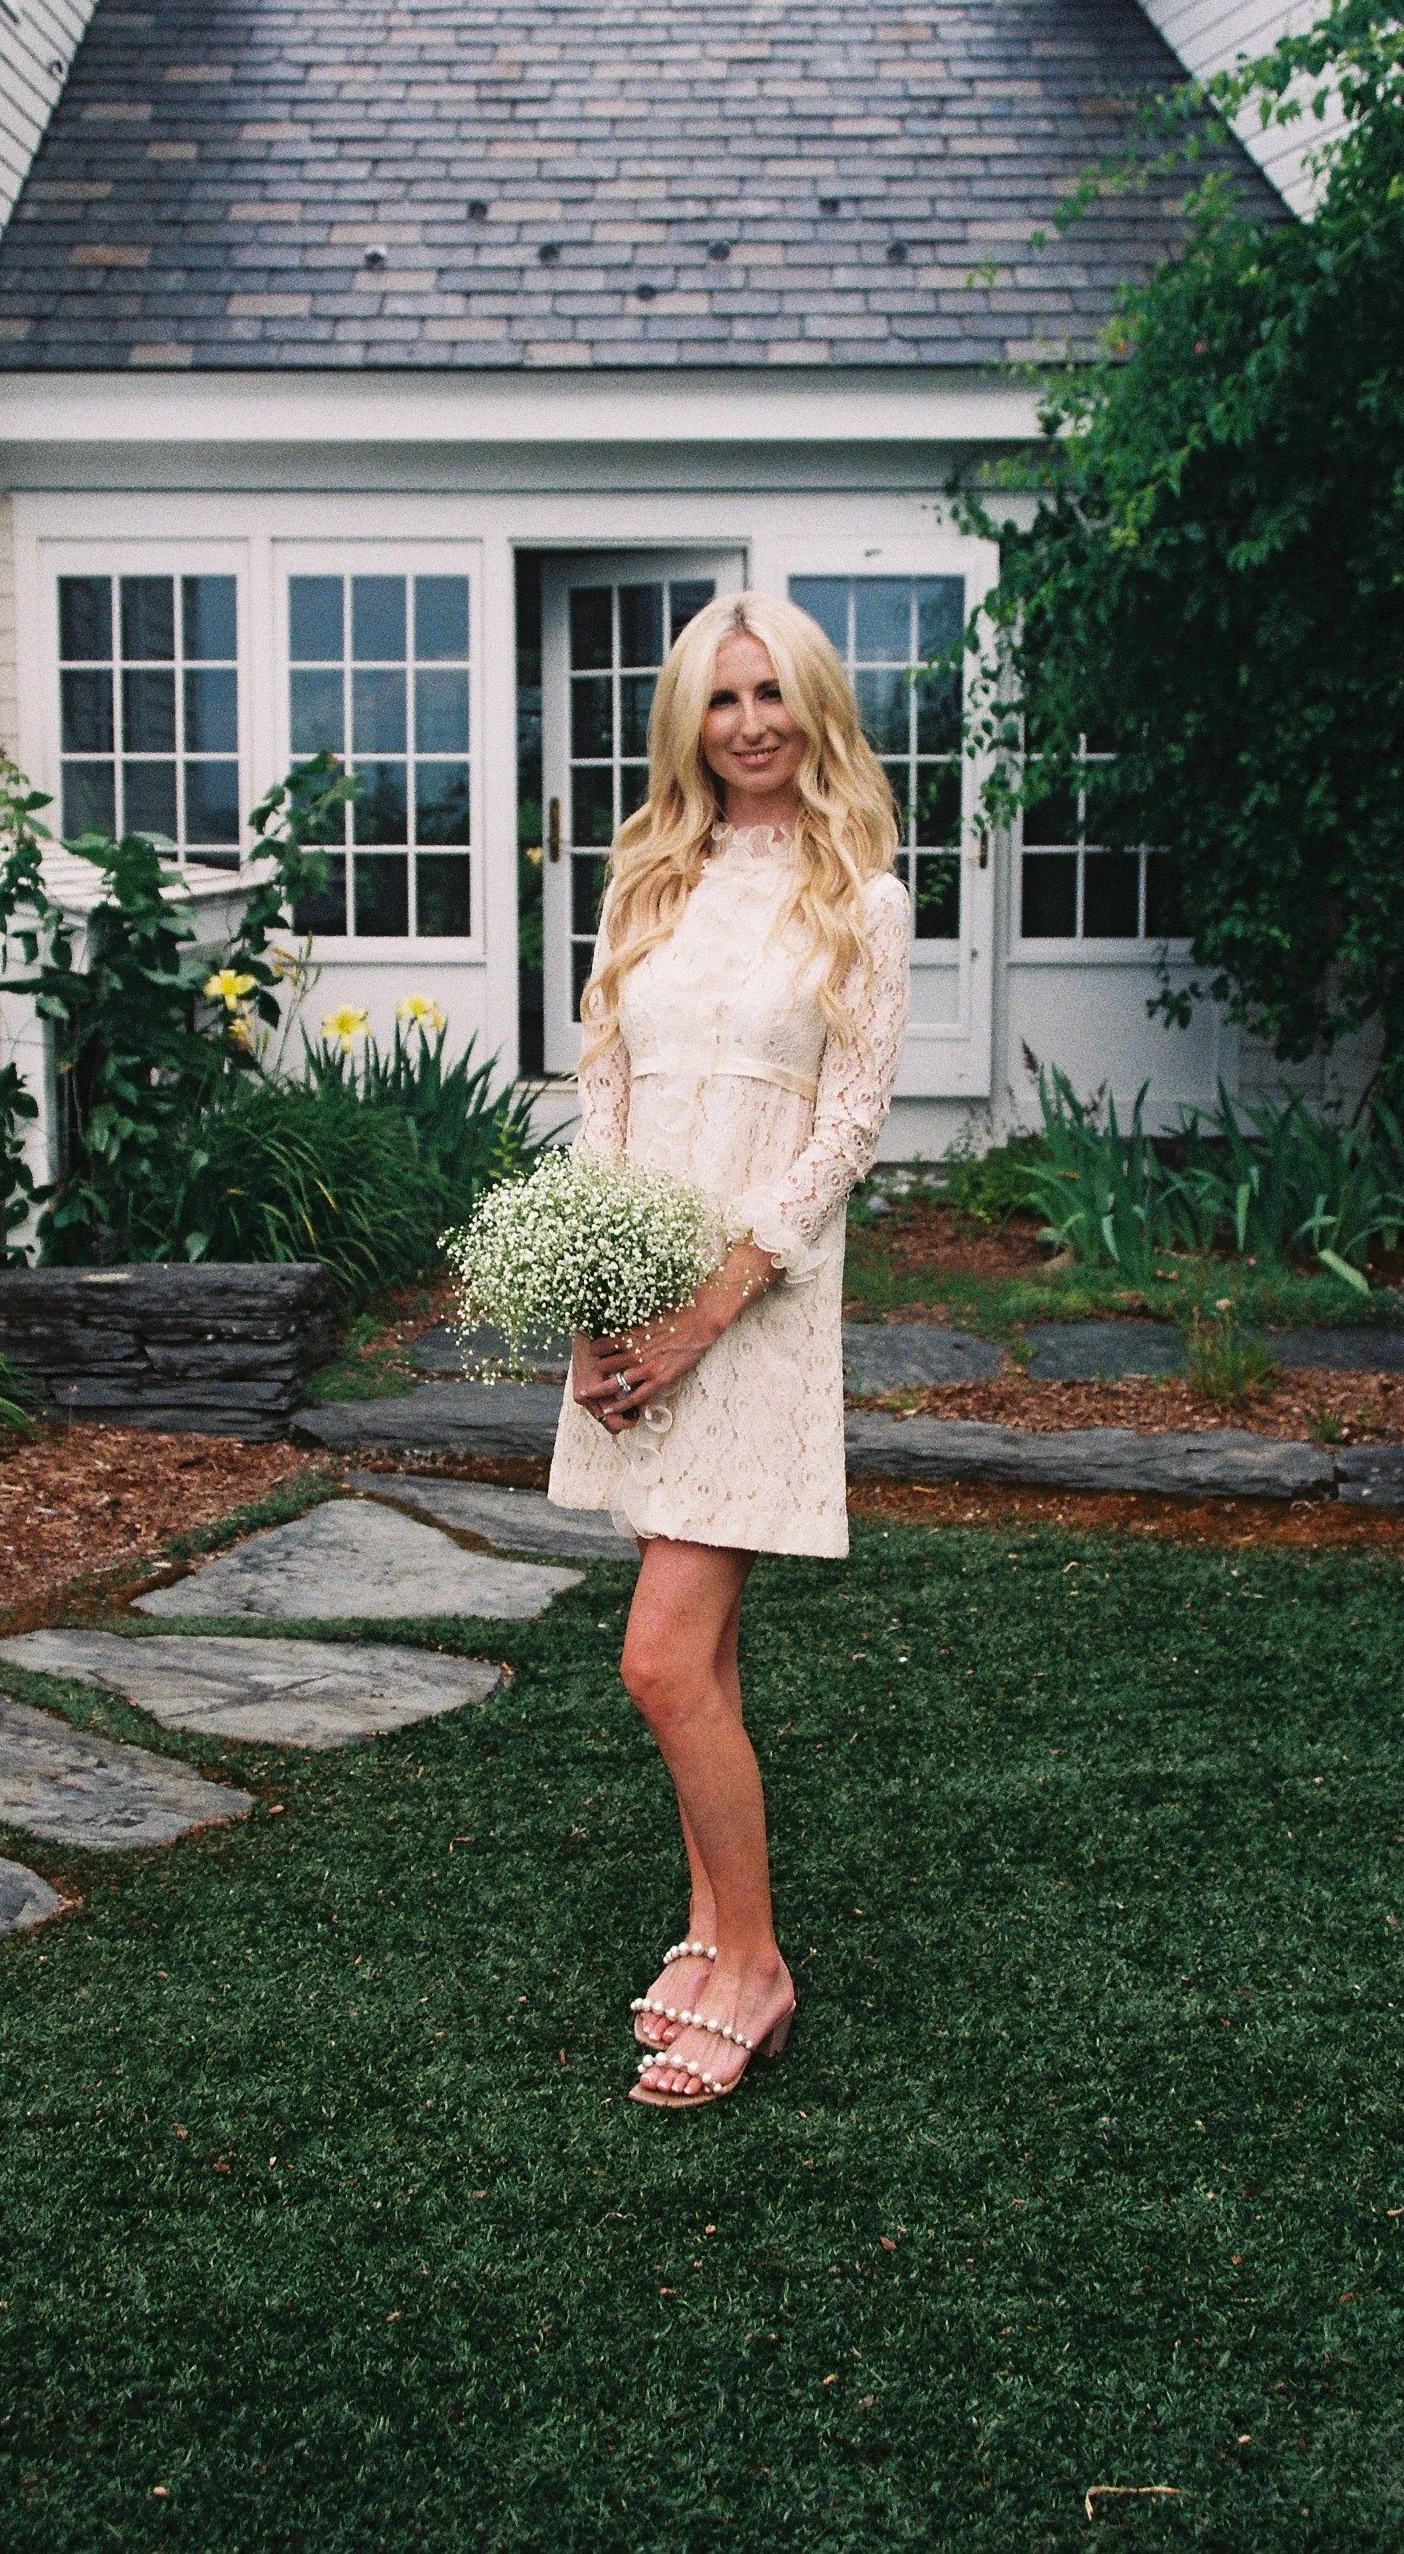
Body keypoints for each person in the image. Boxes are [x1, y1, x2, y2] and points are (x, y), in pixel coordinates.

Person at [547, 591, 912, 2109]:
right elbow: (605, 1102)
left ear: (813, 709)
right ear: (685, 721)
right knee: (701, 1655)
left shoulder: (863, 895)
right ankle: (705, 1924)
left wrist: (711, 1301)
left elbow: (848, 1123)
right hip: (634, 1307)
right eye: (721, 698)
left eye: (773, 695)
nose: (750, 723)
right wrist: (593, 1298)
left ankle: (753, 1968)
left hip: (749, 1311)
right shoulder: (647, 882)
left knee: (656, 1658)